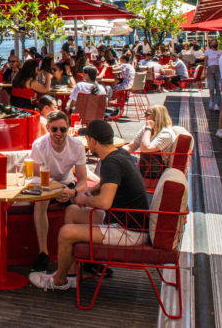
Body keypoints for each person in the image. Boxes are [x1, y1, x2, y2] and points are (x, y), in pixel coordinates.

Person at [28, 120, 150, 292]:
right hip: (128, 221)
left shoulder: (110, 163)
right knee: (72, 211)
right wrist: (87, 193)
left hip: (129, 231)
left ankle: (58, 281)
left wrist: (83, 199)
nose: (86, 143)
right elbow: (106, 185)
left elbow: (104, 203)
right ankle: (72, 276)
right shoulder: (119, 154)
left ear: (93, 141)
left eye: (87, 138)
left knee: (66, 233)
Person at [25, 110, 92, 272]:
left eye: (62, 129)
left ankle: (89, 256)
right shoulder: (39, 145)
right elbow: (36, 174)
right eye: (54, 129)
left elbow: (82, 181)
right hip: (44, 183)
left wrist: (73, 192)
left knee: (84, 201)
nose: (58, 133)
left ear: (68, 129)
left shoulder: (76, 146)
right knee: (41, 203)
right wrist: (56, 190)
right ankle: (43, 253)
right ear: (47, 128)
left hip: (67, 184)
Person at [203, 39, 222, 111]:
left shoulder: (220, 52)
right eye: (213, 43)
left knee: (218, 87)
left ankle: (217, 104)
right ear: (210, 44)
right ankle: (211, 100)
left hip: (218, 70)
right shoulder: (207, 52)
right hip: (210, 70)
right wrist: (204, 70)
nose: (214, 45)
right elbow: (205, 61)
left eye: (215, 43)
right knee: (211, 87)